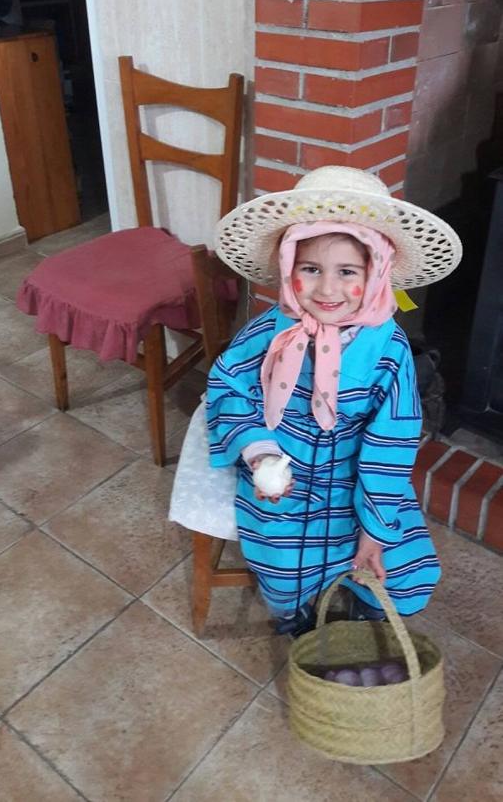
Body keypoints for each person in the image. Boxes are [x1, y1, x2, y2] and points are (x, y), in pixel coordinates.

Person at [179, 166, 463, 636]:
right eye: (310, 269)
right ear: (289, 269)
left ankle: (363, 609)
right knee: (282, 564)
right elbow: (228, 389)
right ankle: (296, 618)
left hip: (356, 481)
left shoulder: (387, 347)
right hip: (282, 483)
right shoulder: (269, 331)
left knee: (402, 567)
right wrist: (260, 452)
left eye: (347, 272)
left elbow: (391, 442)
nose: (327, 290)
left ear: (375, 274)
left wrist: (374, 527)